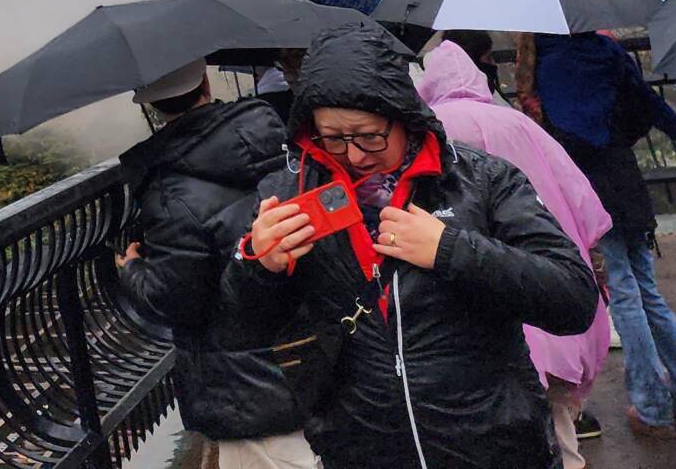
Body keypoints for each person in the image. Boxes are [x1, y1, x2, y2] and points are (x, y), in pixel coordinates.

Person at [220, 23, 598, 469]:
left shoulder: (479, 180)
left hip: (496, 444)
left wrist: (451, 249)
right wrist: (256, 265)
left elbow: (572, 298)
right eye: (333, 138)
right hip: (362, 450)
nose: (355, 155)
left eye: (369, 135)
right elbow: (240, 331)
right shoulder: (290, 195)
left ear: (403, 117)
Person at [113, 57, 324, 468]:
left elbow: (178, 300)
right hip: (311, 352)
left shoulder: (169, 192)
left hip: (245, 385)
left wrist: (132, 271)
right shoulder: (273, 136)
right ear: (206, 83)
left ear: (151, 107)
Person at [416, 39, 613, 469]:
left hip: (473, 299)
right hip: (544, 281)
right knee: (559, 425)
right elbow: (580, 198)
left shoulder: (428, 134)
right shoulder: (519, 124)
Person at [528, 30, 676, 438]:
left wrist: (539, 115)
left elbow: (565, 142)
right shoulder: (606, 52)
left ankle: (652, 407)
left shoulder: (552, 65)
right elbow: (639, 110)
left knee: (624, 296)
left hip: (593, 192)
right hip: (627, 182)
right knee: (648, 294)